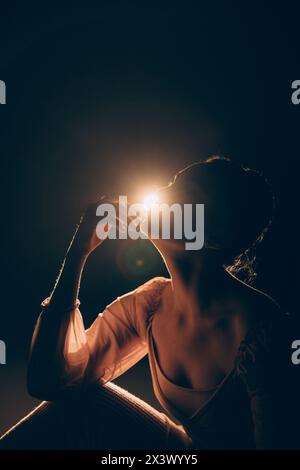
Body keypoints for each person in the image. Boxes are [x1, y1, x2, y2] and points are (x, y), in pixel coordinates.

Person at [0, 156, 299, 450]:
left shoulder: (263, 335)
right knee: (77, 405)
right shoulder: (151, 303)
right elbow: (48, 382)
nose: (162, 193)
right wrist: (79, 252)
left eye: (187, 191)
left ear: (215, 233)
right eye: (172, 182)